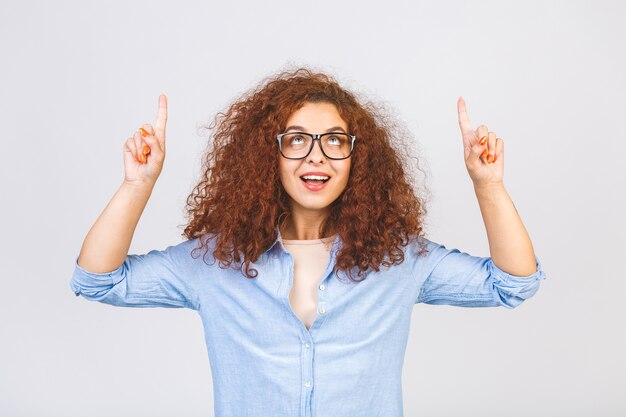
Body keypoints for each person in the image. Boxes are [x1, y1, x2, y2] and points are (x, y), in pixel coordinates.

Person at [70, 67, 546, 417]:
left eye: (335, 140)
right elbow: (96, 281)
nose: (316, 156)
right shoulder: (215, 261)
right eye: (296, 140)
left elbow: (513, 284)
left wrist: (488, 184)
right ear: (267, 155)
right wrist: (138, 184)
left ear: (358, 158)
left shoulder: (401, 259)